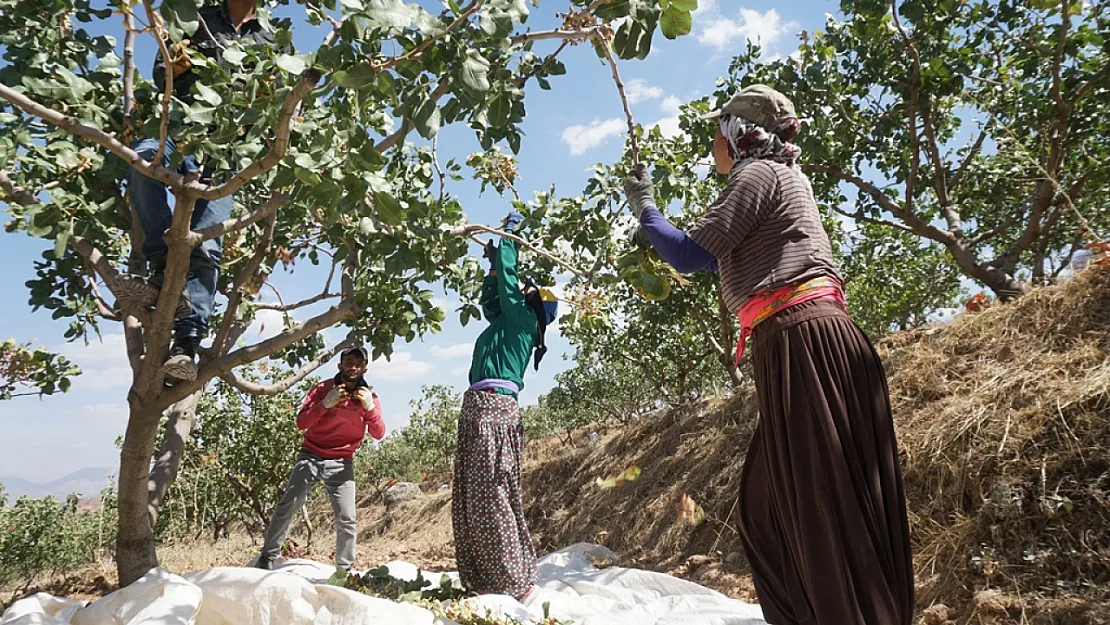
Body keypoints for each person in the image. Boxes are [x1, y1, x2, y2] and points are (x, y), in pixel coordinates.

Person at [623, 85, 914, 625]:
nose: (713, 146)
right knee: (784, 498)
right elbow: (719, 260)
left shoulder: (754, 175)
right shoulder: (784, 178)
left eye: (717, 134)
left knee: (810, 500)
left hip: (801, 341)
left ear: (737, 135)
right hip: (809, 339)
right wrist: (656, 229)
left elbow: (689, 255)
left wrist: (646, 207)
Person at [114, 0, 277, 383]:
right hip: (181, 130)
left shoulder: (271, 40)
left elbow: (274, 103)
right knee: (143, 159)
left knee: (206, 244)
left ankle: (186, 345)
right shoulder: (192, 17)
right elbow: (161, 74)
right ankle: (159, 266)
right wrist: (178, 68)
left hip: (228, 149)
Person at [452, 212, 558, 601]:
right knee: (472, 496)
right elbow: (491, 300)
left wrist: (509, 239)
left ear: (533, 306)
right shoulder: (506, 324)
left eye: (527, 293)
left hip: (492, 413)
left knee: (491, 496)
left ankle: (514, 581)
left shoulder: (524, 321)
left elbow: (510, 288)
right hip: (479, 411)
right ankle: (486, 579)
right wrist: (494, 268)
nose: (520, 293)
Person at [254, 346, 385, 572]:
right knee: (289, 503)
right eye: (348, 362)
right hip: (311, 455)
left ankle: (345, 571)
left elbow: (379, 433)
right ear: (340, 365)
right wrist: (326, 403)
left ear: (364, 368)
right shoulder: (323, 389)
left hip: (342, 461)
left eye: (358, 363)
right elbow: (301, 423)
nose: (352, 367)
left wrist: (369, 407)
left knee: (347, 516)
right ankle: (267, 557)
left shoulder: (369, 397)